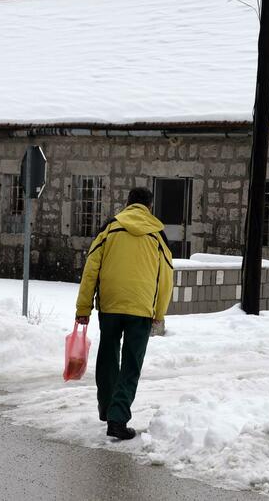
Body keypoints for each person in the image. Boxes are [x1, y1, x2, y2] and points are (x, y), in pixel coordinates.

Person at [75, 187, 173, 440]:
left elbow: (91, 268)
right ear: (150, 207)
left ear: (127, 204)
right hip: (140, 308)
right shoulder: (158, 235)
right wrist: (159, 313)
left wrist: (83, 308)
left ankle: (108, 409)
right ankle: (117, 418)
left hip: (110, 304)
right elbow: (166, 277)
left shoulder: (110, 229)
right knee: (131, 363)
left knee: (108, 355)